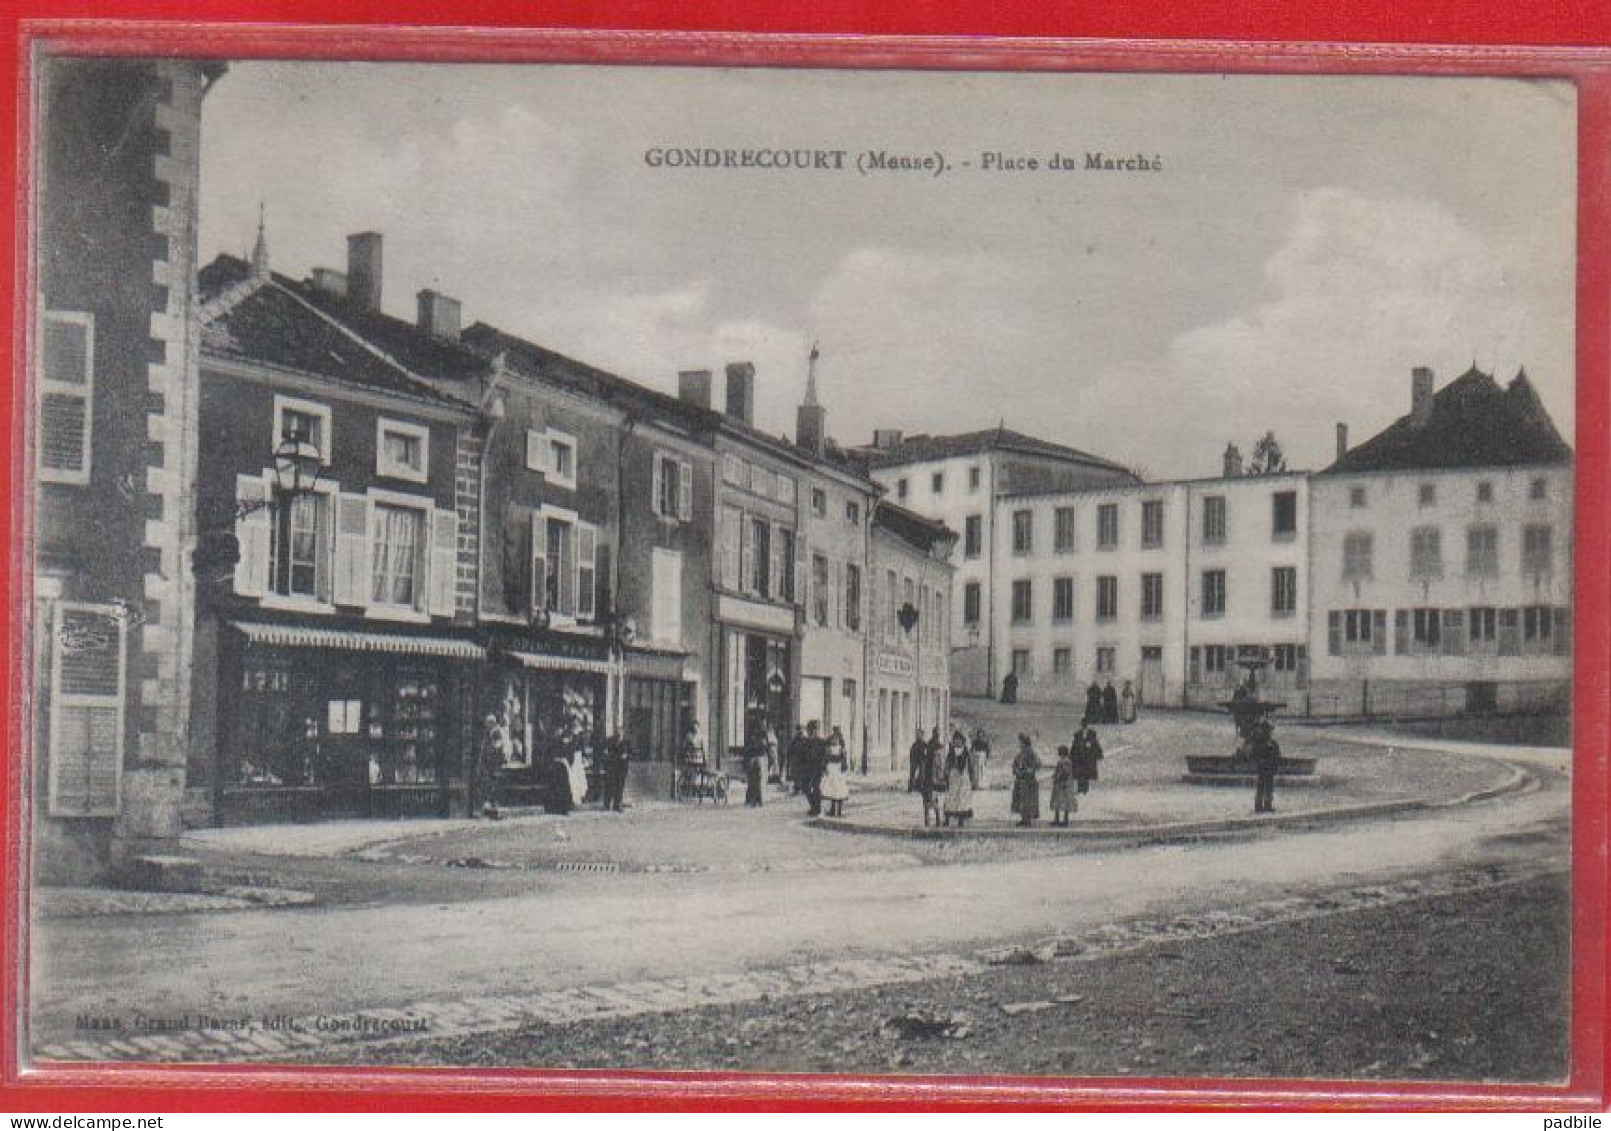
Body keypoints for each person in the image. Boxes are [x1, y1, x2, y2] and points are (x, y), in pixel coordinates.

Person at [469, 713, 507, 818]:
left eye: (487, 723)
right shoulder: (488, 733)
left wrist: (491, 748)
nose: (486, 725)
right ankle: (488, 805)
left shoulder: (496, 732)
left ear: (491, 723)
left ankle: (494, 806)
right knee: (487, 783)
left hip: (494, 763)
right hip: (488, 763)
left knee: (492, 784)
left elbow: (498, 745)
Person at [942, 729, 978, 828]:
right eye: (955, 740)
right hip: (953, 777)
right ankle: (947, 819)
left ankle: (961, 819)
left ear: (962, 741)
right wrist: (945, 774)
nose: (957, 742)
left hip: (963, 778)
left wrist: (972, 778)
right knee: (951, 798)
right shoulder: (951, 752)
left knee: (962, 798)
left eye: (959, 740)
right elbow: (947, 764)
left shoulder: (966, 752)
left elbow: (971, 766)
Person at [1010, 734, 1042, 827]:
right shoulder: (1020, 754)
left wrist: (1029, 770)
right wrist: (1016, 770)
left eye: (1021, 742)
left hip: (1028, 781)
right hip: (1020, 780)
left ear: (1025, 743)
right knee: (1021, 801)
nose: (1019, 744)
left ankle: (1027, 820)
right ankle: (1023, 819)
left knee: (1027, 801)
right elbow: (1015, 765)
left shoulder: (1031, 753)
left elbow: (1038, 764)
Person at [1252, 718, 1282, 814]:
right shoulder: (1259, 743)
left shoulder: (1273, 743)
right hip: (1263, 768)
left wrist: (1275, 766)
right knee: (1261, 786)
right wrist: (1261, 762)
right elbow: (1255, 755)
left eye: (1269, 730)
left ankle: (1268, 804)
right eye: (1267, 730)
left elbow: (1277, 756)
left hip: (1270, 769)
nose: (1269, 732)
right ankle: (1258, 805)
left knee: (1269, 787)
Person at [820, 727, 851, 817]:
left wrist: (826, 766)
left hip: (835, 769)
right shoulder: (836, 748)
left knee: (836, 789)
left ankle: (837, 810)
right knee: (835, 789)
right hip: (834, 769)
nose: (834, 739)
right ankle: (835, 810)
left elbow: (827, 758)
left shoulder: (838, 748)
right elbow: (827, 758)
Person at [800, 720, 828, 816]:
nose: (812, 732)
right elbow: (801, 756)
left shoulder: (822, 742)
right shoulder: (805, 742)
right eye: (811, 730)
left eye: (814, 730)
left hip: (817, 767)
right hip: (807, 767)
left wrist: (824, 768)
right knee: (805, 787)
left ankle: (817, 808)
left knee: (816, 787)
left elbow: (824, 756)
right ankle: (813, 805)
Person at [915, 733, 942, 827]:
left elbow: (938, 770)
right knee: (926, 801)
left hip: (932, 782)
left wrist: (938, 780)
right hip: (926, 782)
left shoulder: (934, 759)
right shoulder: (924, 759)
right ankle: (927, 820)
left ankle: (937, 818)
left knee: (932, 800)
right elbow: (921, 771)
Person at [599, 732, 630, 812]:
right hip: (612, 769)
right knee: (610, 787)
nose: (619, 739)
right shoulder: (610, 745)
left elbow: (628, 755)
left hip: (621, 770)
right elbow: (607, 757)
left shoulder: (625, 745)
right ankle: (607, 805)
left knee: (619, 788)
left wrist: (625, 757)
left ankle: (616, 805)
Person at [1050, 745, 1077, 827]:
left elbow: (1064, 772)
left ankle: (1059, 820)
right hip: (1066, 784)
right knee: (1065, 803)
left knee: (1059, 802)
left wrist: (1057, 777)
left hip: (1062, 785)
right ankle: (1063, 820)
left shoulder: (1063, 761)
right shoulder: (1068, 761)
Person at [1072, 723, 1103, 794]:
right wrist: (1072, 756)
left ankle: (1085, 789)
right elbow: (1074, 746)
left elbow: (1096, 744)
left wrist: (1098, 755)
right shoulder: (1077, 734)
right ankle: (1080, 789)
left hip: (1088, 758)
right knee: (1080, 774)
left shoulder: (1092, 734)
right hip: (1080, 758)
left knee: (1086, 775)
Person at [742, 720, 767, 808]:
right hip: (757, 760)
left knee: (754, 782)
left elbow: (749, 750)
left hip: (756, 760)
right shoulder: (760, 739)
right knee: (755, 782)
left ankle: (755, 800)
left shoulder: (757, 739)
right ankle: (755, 800)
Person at [785, 725, 808, 794]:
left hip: (803, 759)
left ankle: (803, 788)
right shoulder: (795, 740)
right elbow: (790, 749)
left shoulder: (805, 739)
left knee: (803, 774)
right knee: (796, 775)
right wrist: (789, 757)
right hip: (796, 759)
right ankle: (797, 788)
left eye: (801, 730)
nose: (800, 731)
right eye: (798, 730)